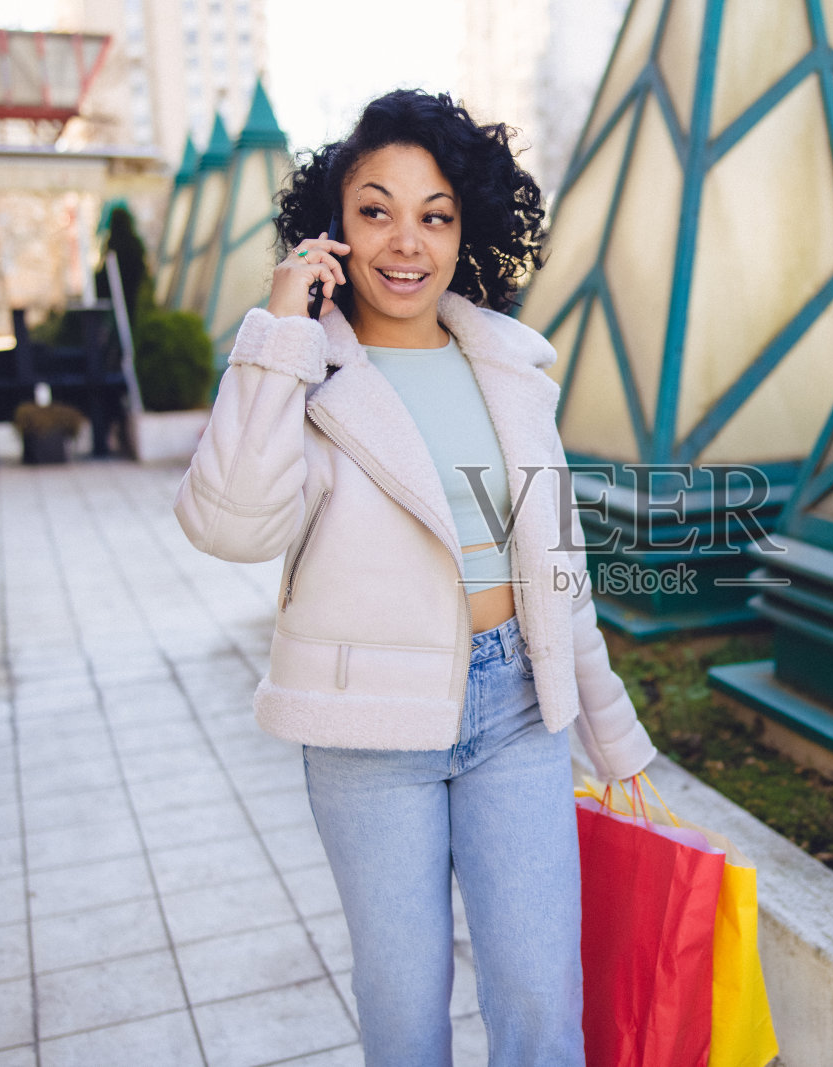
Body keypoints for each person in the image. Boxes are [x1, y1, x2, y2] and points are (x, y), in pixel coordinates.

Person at [173, 89, 657, 1066]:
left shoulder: (509, 366)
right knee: (405, 1013)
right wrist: (278, 336)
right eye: (376, 209)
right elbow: (227, 525)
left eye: (434, 213)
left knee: (538, 999)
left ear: (463, 229)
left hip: (518, 707)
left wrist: (614, 733)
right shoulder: (307, 372)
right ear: (333, 229)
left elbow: (557, 570)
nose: (406, 241)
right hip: (367, 733)